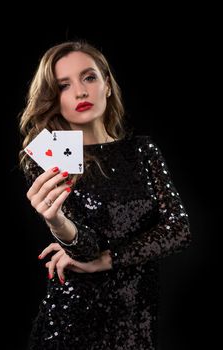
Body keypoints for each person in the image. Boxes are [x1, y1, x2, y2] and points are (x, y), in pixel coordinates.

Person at [19, 40, 191, 350]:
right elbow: (85, 251)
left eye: (89, 77)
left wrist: (108, 260)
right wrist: (56, 222)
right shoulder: (51, 158)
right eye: (63, 85)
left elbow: (178, 230)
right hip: (70, 323)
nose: (81, 92)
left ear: (107, 85)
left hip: (136, 321)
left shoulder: (143, 152)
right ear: (54, 99)